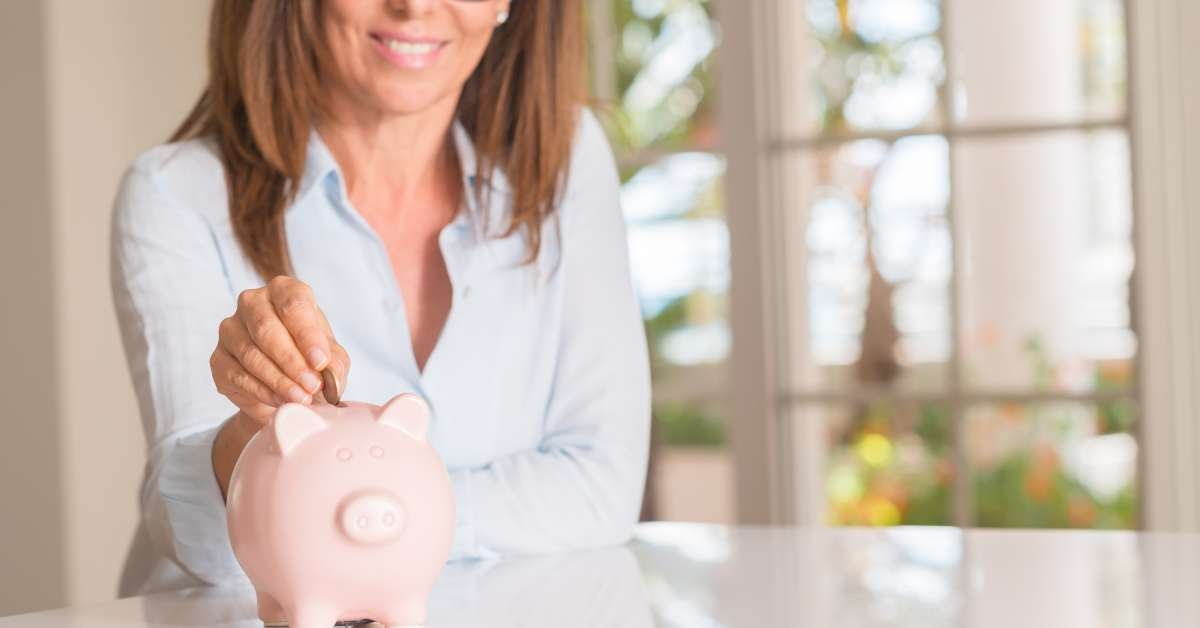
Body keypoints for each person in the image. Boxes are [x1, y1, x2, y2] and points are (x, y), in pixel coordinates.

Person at [109, 0, 650, 596]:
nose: (415, 7)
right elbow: (206, 548)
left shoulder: (565, 161)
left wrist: (335, 503)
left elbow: (602, 488)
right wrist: (253, 424)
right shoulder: (177, 195)